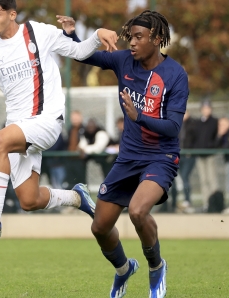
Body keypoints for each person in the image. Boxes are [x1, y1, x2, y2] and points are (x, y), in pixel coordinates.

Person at [59, 10, 188, 297]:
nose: (132, 43)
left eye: (139, 37)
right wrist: (71, 35)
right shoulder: (123, 61)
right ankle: (123, 269)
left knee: (138, 212)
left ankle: (156, 268)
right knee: (100, 228)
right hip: (128, 158)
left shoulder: (175, 75)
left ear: (156, 39)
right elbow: (84, 56)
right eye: (130, 37)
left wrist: (139, 115)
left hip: (161, 157)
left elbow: (173, 127)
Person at [0, 0, 103, 241]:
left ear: (12, 14)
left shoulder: (37, 32)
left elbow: (80, 51)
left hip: (47, 120)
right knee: (29, 200)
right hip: (19, 129)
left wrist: (96, 35)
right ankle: (76, 197)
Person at [192, 100, 219, 210]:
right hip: (200, 155)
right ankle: (206, 203)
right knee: (203, 180)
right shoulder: (198, 123)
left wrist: (211, 146)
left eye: (208, 108)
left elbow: (216, 137)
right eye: (204, 108)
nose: (206, 110)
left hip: (210, 154)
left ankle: (215, 202)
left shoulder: (214, 121)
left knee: (212, 179)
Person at [177, 111, 197, 213]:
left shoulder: (192, 123)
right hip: (179, 155)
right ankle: (184, 200)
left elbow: (195, 138)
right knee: (181, 177)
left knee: (185, 176)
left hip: (189, 155)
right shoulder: (177, 122)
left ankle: (187, 200)